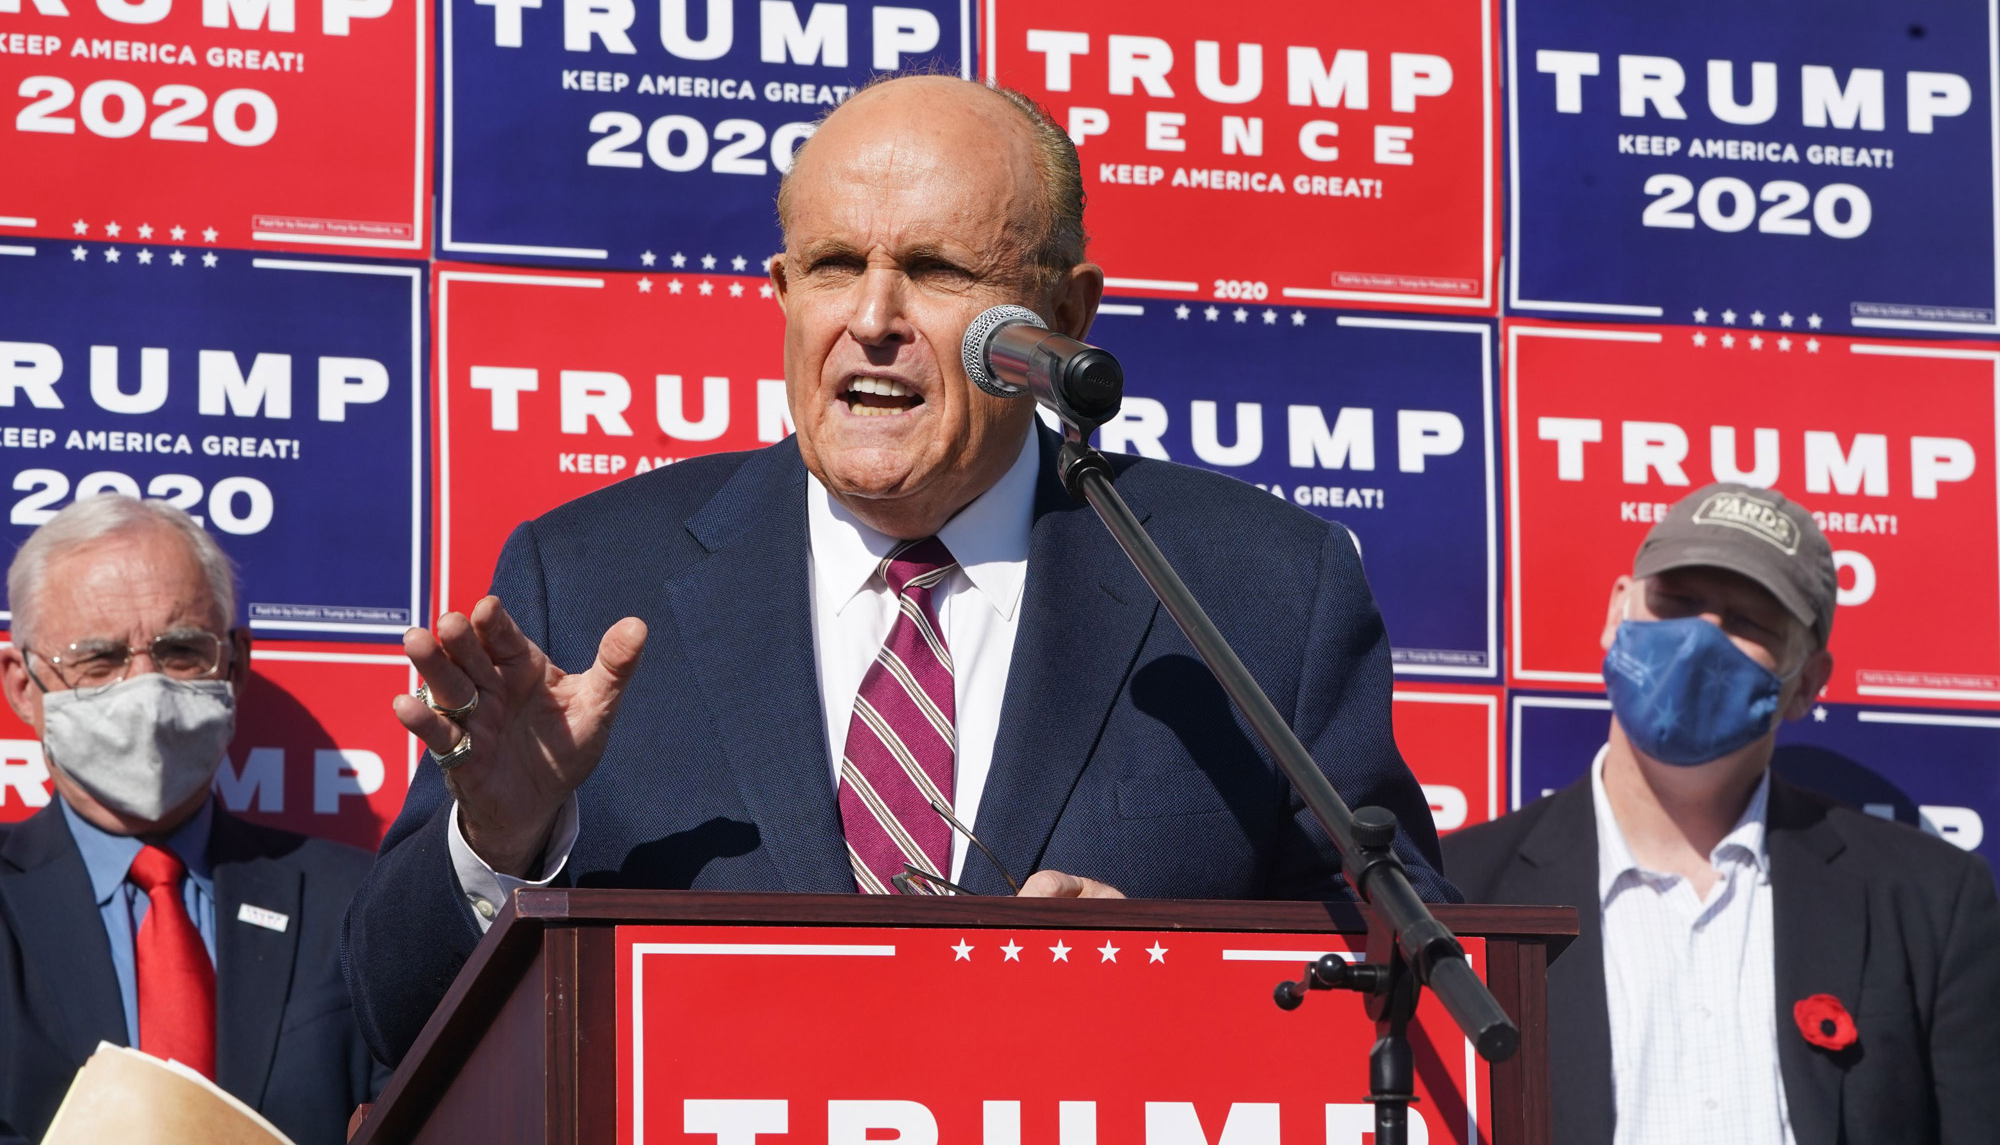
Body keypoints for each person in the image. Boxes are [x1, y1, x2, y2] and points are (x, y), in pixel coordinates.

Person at [344, 73, 1453, 1063]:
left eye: (934, 269)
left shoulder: (1254, 587)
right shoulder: (584, 576)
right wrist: (498, 844)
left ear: (1064, 314)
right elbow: (390, 1020)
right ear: (782, 291)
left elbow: (1409, 972)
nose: (872, 319)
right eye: (833, 266)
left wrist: (1173, 979)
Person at [1445, 482, 2000, 1143]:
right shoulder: (1457, 892)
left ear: (1808, 683)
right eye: (1676, 602)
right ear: (1618, 611)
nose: (1701, 640)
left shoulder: (1931, 902)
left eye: (1749, 622)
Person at [0, 495, 385, 1145]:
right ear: (22, 684)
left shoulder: (353, 902)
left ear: (235, 663)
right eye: (98, 660)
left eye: (181, 652)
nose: (144, 689)